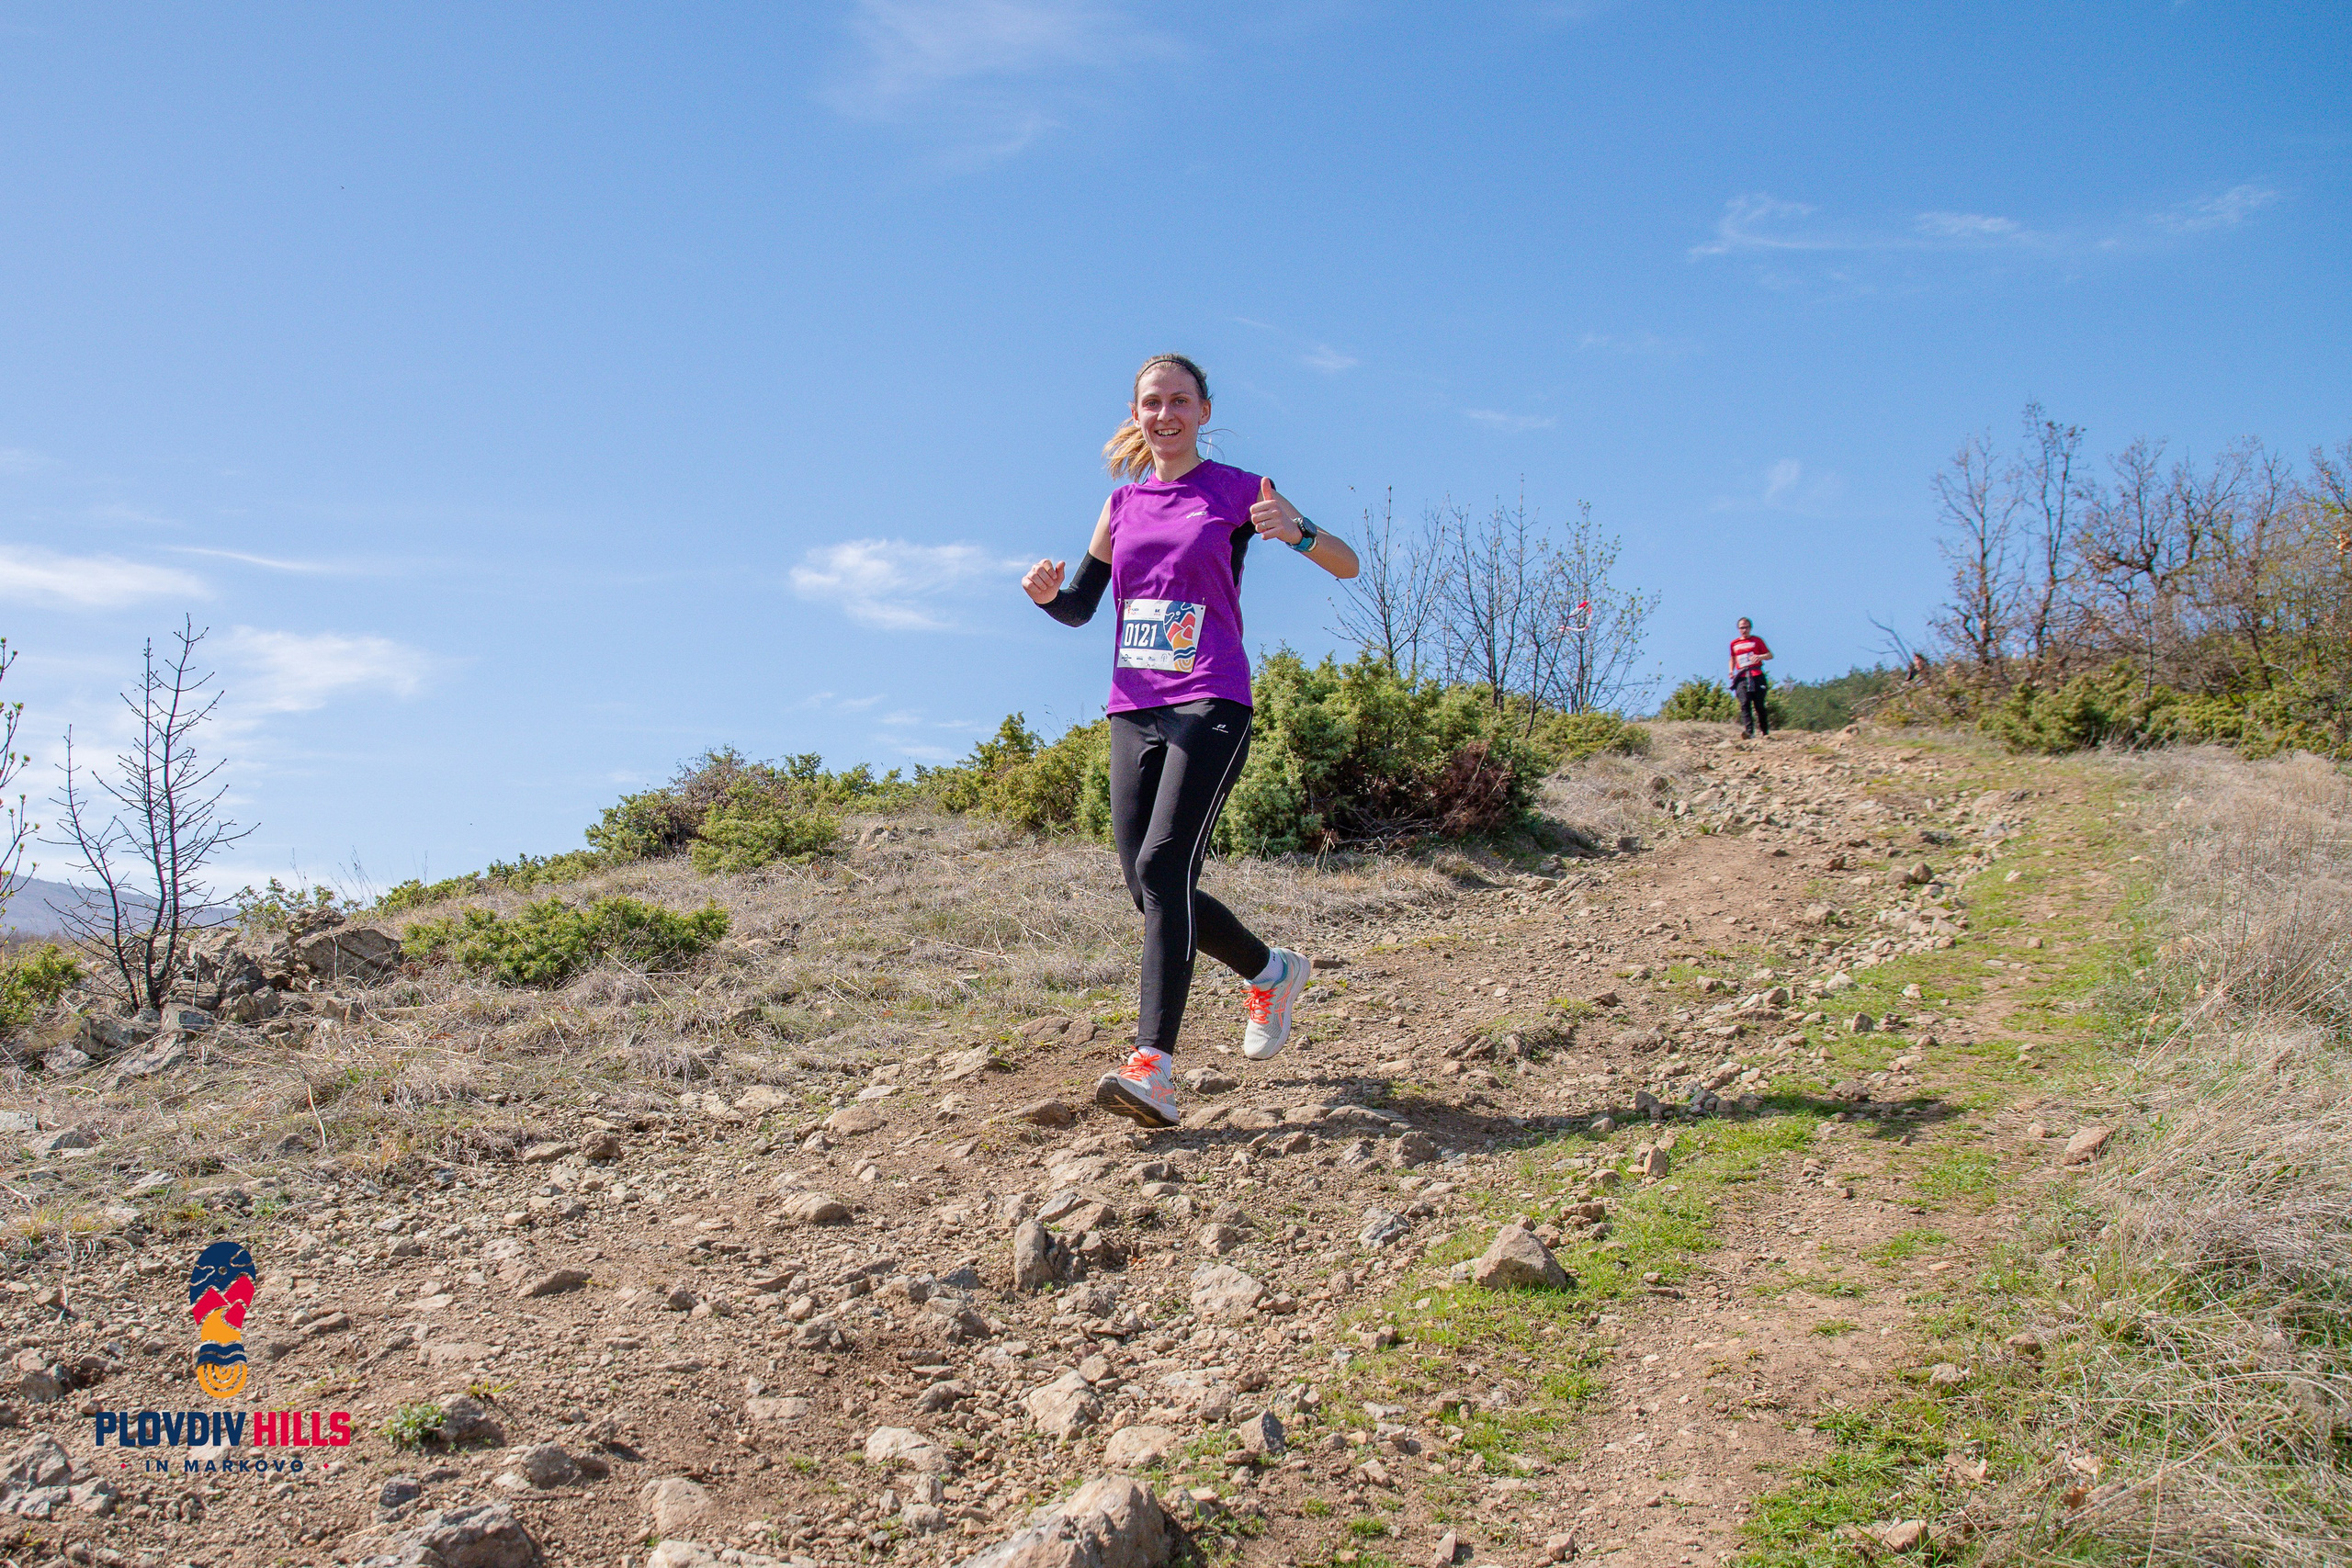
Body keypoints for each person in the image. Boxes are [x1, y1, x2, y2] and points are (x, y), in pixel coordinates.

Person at [1021, 355, 1359, 1128]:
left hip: (1212, 697)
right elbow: (1081, 605)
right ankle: (1271, 971)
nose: (1165, 413)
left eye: (1180, 400)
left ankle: (1154, 1067)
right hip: (1132, 708)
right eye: (1152, 402)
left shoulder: (1242, 491)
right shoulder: (1122, 504)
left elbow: (1346, 564)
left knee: (1166, 863)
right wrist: (1048, 598)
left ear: (1204, 410)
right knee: (1147, 889)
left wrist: (1297, 530)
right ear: (1136, 414)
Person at [1727, 617, 1773, 739]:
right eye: (1742, 628)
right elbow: (1732, 658)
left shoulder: (1757, 640)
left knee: (1759, 704)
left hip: (1757, 675)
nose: (1744, 630)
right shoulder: (1734, 644)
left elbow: (1770, 655)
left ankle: (1765, 732)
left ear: (1750, 628)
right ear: (1738, 629)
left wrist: (1760, 657)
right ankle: (1749, 732)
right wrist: (1731, 671)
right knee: (1744, 703)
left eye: (1746, 627)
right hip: (1741, 677)